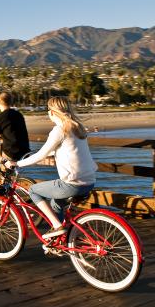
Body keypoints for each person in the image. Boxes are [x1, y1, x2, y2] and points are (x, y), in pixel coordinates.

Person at [14, 96, 97, 239]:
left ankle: (57, 226)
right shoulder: (77, 127)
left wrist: (17, 163)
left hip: (72, 184)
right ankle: (60, 239)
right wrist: (50, 153)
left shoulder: (59, 130)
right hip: (89, 182)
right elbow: (67, 149)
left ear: (52, 112)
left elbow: (41, 155)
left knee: (33, 190)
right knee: (56, 204)